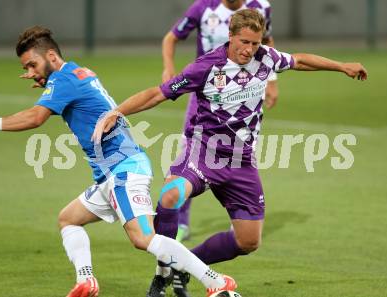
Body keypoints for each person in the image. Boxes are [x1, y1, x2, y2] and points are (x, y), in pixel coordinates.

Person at [93, 9, 367, 297]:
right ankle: (162, 272)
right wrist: (117, 111)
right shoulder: (206, 67)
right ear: (231, 36)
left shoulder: (266, 57)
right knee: (171, 195)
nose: (250, 49)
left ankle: (183, 267)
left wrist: (341, 66)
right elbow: (158, 93)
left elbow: (299, 60)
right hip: (204, 153)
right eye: (244, 42)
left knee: (249, 241)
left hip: (242, 161)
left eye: (255, 43)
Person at [0, 26, 238, 297]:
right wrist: (47, 84)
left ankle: (215, 280)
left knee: (143, 238)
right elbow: (76, 107)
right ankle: (86, 280)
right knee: (69, 219)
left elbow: (35, 117)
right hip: (111, 175)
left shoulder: (64, 80)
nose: (30, 72)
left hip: (124, 171)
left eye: (32, 64)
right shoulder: (76, 73)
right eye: (26, 67)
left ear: (51, 56)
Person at [162, 0, 278, 243]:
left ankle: (238, 211)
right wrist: (168, 67)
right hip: (207, 90)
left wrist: (272, 81)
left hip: (245, 87)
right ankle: (181, 222)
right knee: (190, 154)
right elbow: (171, 37)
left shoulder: (260, 7)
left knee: (242, 147)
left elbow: (267, 42)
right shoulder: (203, 8)